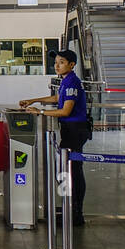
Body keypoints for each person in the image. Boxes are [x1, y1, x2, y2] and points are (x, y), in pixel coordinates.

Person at [21, 49, 89, 226]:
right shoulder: (66, 81)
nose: (56, 65)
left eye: (61, 62)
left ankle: (76, 213)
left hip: (75, 130)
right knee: (67, 169)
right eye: (56, 62)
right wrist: (33, 100)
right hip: (69, 129)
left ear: (72, 65)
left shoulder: (72, 82)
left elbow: (66, 110)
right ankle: (70, 210)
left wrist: (40, 112)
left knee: (72, 170)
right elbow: (57, 98)